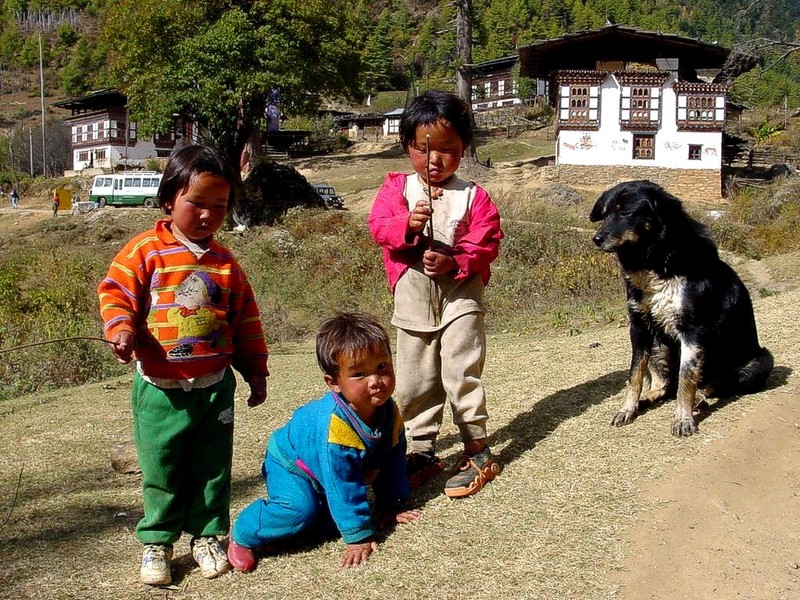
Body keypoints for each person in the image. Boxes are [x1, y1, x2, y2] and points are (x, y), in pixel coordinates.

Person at [97, 145, 269, 586]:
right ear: (169, 199)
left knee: (213, 466)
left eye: (220, 206)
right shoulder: (144, 252)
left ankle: (208, 535)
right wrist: (120, 329)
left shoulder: (227, 265)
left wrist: (256, 370)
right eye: (197, 203)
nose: (208, 214)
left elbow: (245, 319)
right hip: (159, 387)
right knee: (162, 466)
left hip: (215, 386)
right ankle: (158, 541)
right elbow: (115, 293)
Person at [368, 90, 504, 499]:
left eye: (448, 149)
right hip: (411, 298)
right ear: (407, 146)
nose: (435, 159)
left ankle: (478, 449)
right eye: (423, 149)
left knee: (460, 371)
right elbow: (380, 227)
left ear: (463, 148)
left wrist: (454, 261)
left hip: (461, 294)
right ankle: (422, 451)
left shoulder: (474, 195)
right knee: (414, 378)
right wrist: (408, 223)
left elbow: (487, 240)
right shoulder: (396, 189)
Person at [227, 312, 422, 572]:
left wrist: (392, 505)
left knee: (329, 523)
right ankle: (244, 533)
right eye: (359, 374)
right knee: (299, 511)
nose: (375, 381)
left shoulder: (389, 410)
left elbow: (393, 457)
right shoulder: (335, 426)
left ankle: (288, 531)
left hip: (327, 469)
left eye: (382, 366)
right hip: (291, 464)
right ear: (333, 383)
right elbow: (340, 481)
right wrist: (358, 537)